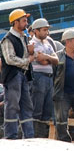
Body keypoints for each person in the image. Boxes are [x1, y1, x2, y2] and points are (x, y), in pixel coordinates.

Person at [0, 9, 35, 139]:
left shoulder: (24, 37)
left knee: (26, 106)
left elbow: (28, 56)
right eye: (24, 20)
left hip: (23, 75)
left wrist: (31, 53)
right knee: (12, 105)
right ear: (16, 22)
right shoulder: (7, 40)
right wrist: (28, 60)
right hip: (13, 76)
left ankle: (29, 136)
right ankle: (10, 135)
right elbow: (10, 59)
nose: (26, 23)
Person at [30, 18, 59, 138]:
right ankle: (33, 136)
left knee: (47, 109)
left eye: (47, 30)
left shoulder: (48, 44)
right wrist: (49, 59)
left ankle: (41, 136)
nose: (46, 32)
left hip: (48, 78)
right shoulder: (32, 44)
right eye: (44, 30)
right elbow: (41, 61)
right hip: (38, 77)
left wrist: (47, 57)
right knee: (37, 109)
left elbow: (56, 60)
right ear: (36, 31)